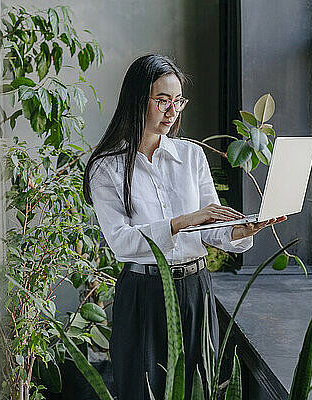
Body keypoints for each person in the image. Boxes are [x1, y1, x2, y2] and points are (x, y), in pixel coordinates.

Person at [82, 54, 286, 400]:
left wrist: (239, 231)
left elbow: (210, 227)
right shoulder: (107, 168)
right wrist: (181, 222)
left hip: (196, 290)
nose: (171, 111)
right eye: (162, 100)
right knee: (143, 391)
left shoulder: (191, 156)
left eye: (177, 101)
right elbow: (120, 242)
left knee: (199, 389)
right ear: (137, 99)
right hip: (144, 295)